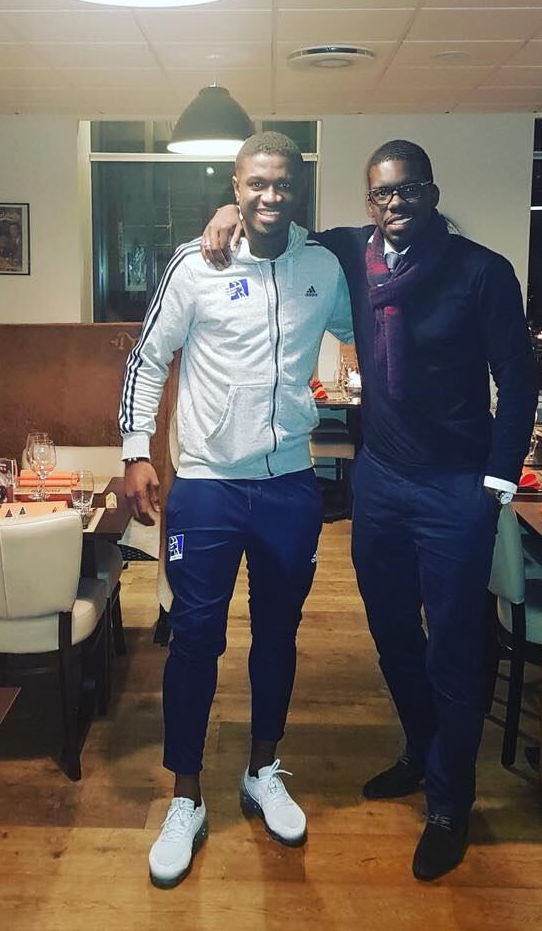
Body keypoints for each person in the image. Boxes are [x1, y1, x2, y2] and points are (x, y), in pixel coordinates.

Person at [201, 139, 537, 880]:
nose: (395, 203)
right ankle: (422, 748)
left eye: (408, 189)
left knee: (454, 649)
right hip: (380, 484)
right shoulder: (352, 252)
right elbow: (275, 219)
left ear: (432, 192)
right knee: (391, 634)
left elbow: (518, 381)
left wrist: (497, 484)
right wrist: (229, 212)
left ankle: (449, 802)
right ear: (368, 201)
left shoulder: (482, 271)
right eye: (382, 193)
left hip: (456, 488)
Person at [119, 131, 353, 890]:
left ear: (298, 188)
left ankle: (262, 770)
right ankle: (185, 796)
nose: (269, 196)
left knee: (279, 633)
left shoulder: (324, 268)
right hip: (209, 484)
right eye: (256, 184)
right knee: (194, 640)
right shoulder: (198, 263)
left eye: (281, 183)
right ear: (236, 186)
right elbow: (148, 357)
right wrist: (135, 450)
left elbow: (365, 335)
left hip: (290, 483)